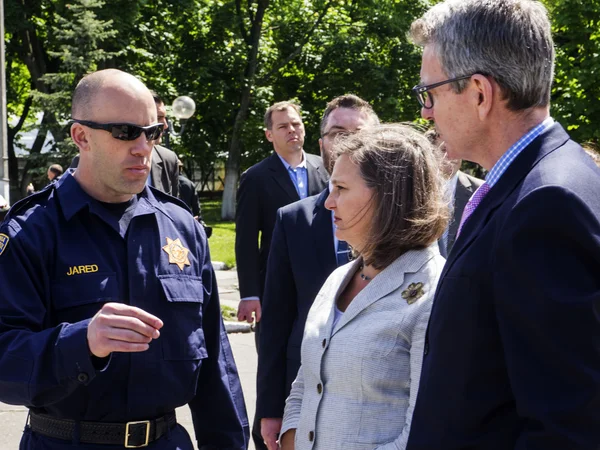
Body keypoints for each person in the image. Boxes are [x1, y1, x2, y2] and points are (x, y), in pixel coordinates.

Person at [0, 69, 249, 450]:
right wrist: (83, 341)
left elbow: (216, 365)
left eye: (153, 132)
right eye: (125, 132)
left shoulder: (181, 227)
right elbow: (5, 362)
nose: (143, 147)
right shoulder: (31, 231)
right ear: (81, 136)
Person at [406, 1, 600, 448]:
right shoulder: (539, 182)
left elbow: (568, 425)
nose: (426, 114)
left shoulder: (547, 203)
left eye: (429, 94)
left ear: (479, 93)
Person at [279, 124, 449, 450]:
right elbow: (308, 379)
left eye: (341, 188)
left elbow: (426, 429)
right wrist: (292, 435)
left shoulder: (436, 291)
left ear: (389, 196)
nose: (328, 202)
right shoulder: (338, 277)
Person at [257, 94, 379, 450]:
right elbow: (276, 321)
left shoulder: (398, 221)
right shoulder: (293, 219)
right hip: (304, 390)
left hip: (373, 390)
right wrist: (269, 407)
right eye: (337, 132)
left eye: (358, 133)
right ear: (322, 141)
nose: (347, 143)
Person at [235, 100, 328, 450]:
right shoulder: (257, 177)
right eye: (284, 126)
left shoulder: (325, 171)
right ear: (269, 134)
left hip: (319, 283)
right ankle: (270, 434)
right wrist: (249, 293)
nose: (293, 130)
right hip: (275, 287)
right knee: (276, 362)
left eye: (298, 124)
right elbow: (245, 241)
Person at [424, 129, 483, 257]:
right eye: (444, 150)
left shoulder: (481, 190)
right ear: (429, 153)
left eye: (457, 149)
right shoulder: (417, 189)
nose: (453, 156)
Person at [149, 90, 180, 197]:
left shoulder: (169, 159)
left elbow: (173, 207)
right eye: (158, 118)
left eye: (164, 118)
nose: (165, 126)